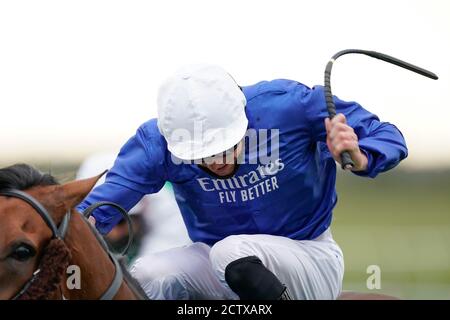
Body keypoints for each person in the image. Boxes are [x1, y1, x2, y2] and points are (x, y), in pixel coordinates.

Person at [77, 64, 408, 300]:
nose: (217, 161)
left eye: (224, 145)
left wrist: (360, 155)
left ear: (243, 116)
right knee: (148, 273)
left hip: (309, 258)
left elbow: (389, 137)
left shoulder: (290, 105)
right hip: (216, 264)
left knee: (231, 251)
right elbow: (92, 213)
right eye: (201, 153)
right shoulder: (156, 142)